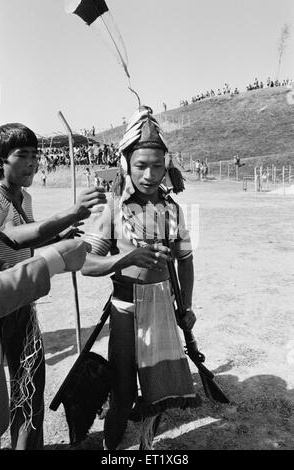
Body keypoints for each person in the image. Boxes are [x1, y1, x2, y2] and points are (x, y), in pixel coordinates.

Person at [82, 106, 200, 450]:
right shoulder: (112, 210)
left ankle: (148, 448)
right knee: (122, 391)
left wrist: (187, 306)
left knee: (156, 391)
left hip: (164, 309)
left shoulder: (174, 210)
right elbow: (87, 265)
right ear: (125, 166)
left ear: (168, 166)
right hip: (126, 310)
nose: (150, 174)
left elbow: (186, 261)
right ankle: (111, 452)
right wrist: (128, 257)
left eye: (158, 165)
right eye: (141, 165)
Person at [0, 123, 107, 450]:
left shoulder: (23, 196)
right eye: (22, 155)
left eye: (36, 155)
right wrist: (69, 213)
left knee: (29, 387)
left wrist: (60, 234)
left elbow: (29, 237)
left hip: (23, 305)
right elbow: (11, 238)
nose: (32, 162)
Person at [0, 239, 91, 449]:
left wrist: (1, 266)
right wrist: (54, 260)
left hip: (15, 304)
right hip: (9, 304)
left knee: (26, 385)